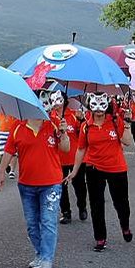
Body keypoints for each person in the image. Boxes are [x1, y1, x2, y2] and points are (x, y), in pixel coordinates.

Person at [0, 90, 69, 268]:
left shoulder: (53, 125)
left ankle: (47, 260)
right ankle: (40, 253)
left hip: (51, 183)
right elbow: (9, 151)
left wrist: (63, 133)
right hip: (27, 184)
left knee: (48, 221)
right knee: (32, 224)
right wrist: (1, 173)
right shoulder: (18, 128)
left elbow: (65, 149)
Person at [66, 92, 133, 252]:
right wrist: (75, 171)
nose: (98, 111)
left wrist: (128, 122)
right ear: (90, 106)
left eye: (102, 106)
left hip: (116, 168)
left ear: (107, 106)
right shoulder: (86, 126)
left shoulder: (116, 122)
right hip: (94, 168)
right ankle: (100, 238)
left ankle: (125, 225)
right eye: (95, 106)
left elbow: (128, 142)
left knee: (121, 202)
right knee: (96, 204)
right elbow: (81, 149)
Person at [50, 91, 88, 224]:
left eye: (59, 100)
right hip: (58, 159)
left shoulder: (73, 114)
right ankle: (66, 212)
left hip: (76, 158)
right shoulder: (49, 116)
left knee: (80, 185)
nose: (56, 104)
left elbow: (84, 132)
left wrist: (82, 120)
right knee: (61, 187)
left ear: (65, 101)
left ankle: (82, 206)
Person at [0, 110, 18, 178]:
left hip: (13, 132)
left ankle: (12, 170)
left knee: (14, 153)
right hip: (2, 132)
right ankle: (7, 165)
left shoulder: (15, 109)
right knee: (2, 151)